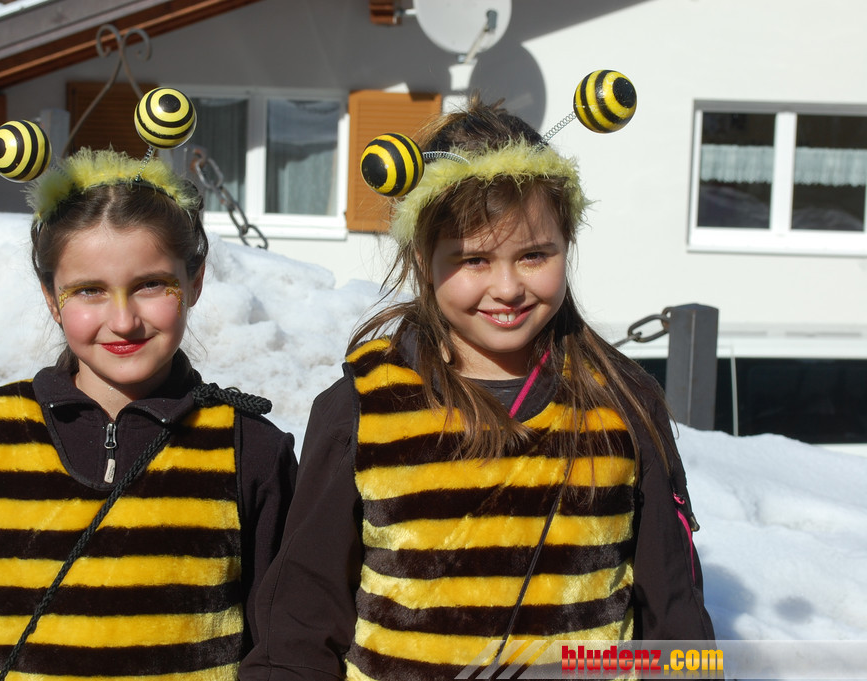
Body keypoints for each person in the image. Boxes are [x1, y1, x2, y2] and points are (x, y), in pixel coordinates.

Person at [239, 95, 715, 681]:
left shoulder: (622, 400)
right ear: (423, 257)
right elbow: (303, 616)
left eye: (534, 255)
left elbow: (673, 610)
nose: (508, 287)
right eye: (473, 260)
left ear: (567, 243)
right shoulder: (365, 406)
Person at [0, 148, 297, 681]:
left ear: (195, 282)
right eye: (89, 290)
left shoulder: (249, 451)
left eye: (150, 285)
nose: (123, 320)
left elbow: (284, 646)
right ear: (52, 297)